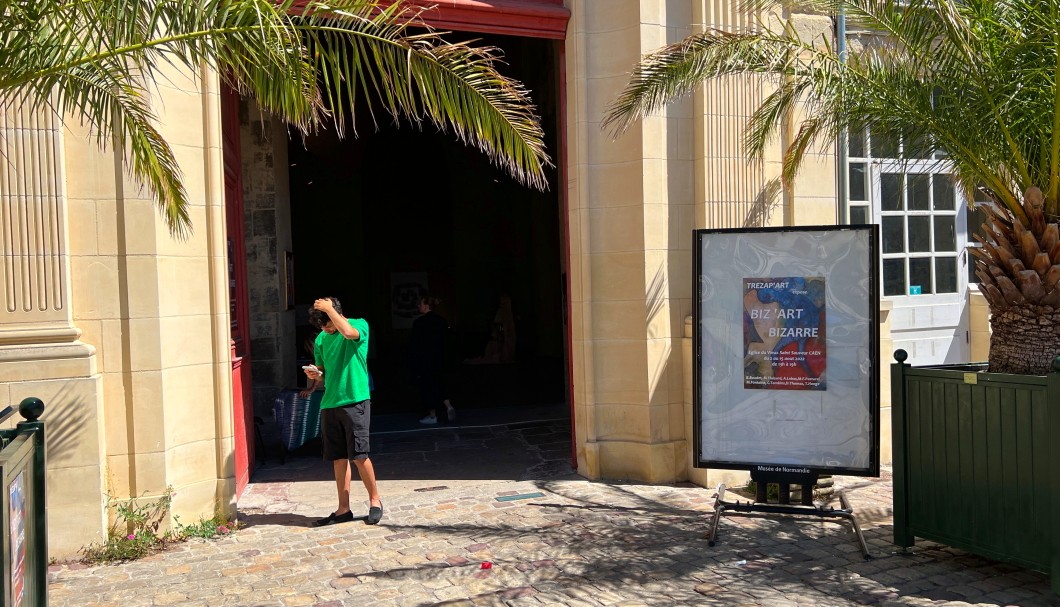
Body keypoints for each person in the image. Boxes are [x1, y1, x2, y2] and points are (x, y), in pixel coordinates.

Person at [303, 296, 383, 526]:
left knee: (359, 455)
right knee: (338, 458)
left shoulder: (358, 324)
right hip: (330, 402)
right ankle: (343, 509)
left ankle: (375, 501)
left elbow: (348, 333)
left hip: (355, 399)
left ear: (336, 314)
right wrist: (316, 375)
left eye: (327, 323)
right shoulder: (321, 338)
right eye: (321, 326)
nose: (325, 329)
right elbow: (323, 370)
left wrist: (329, 309)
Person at [410, 295, 457, 425]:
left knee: (427, 387)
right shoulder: (442, 321)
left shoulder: (419, 323)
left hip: (425, 360)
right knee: (439, 383)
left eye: (420, 304)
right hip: (440, 358)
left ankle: (432, 415)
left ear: (426, 305)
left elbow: (415, 344)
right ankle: (448, 406)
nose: (418, 306)